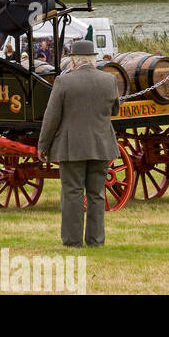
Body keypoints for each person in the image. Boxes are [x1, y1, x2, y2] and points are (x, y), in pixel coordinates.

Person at [36, 39, 121, 248]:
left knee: (72, 193)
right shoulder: (109, 80)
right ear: (94, 59)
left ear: (73, 62)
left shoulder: (63, 82)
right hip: (101, 145)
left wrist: (43, 145)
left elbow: (51, 118)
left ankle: (72, 242)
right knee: (97, 195)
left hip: (71, 147)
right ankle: (96, 241)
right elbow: (115, 111)